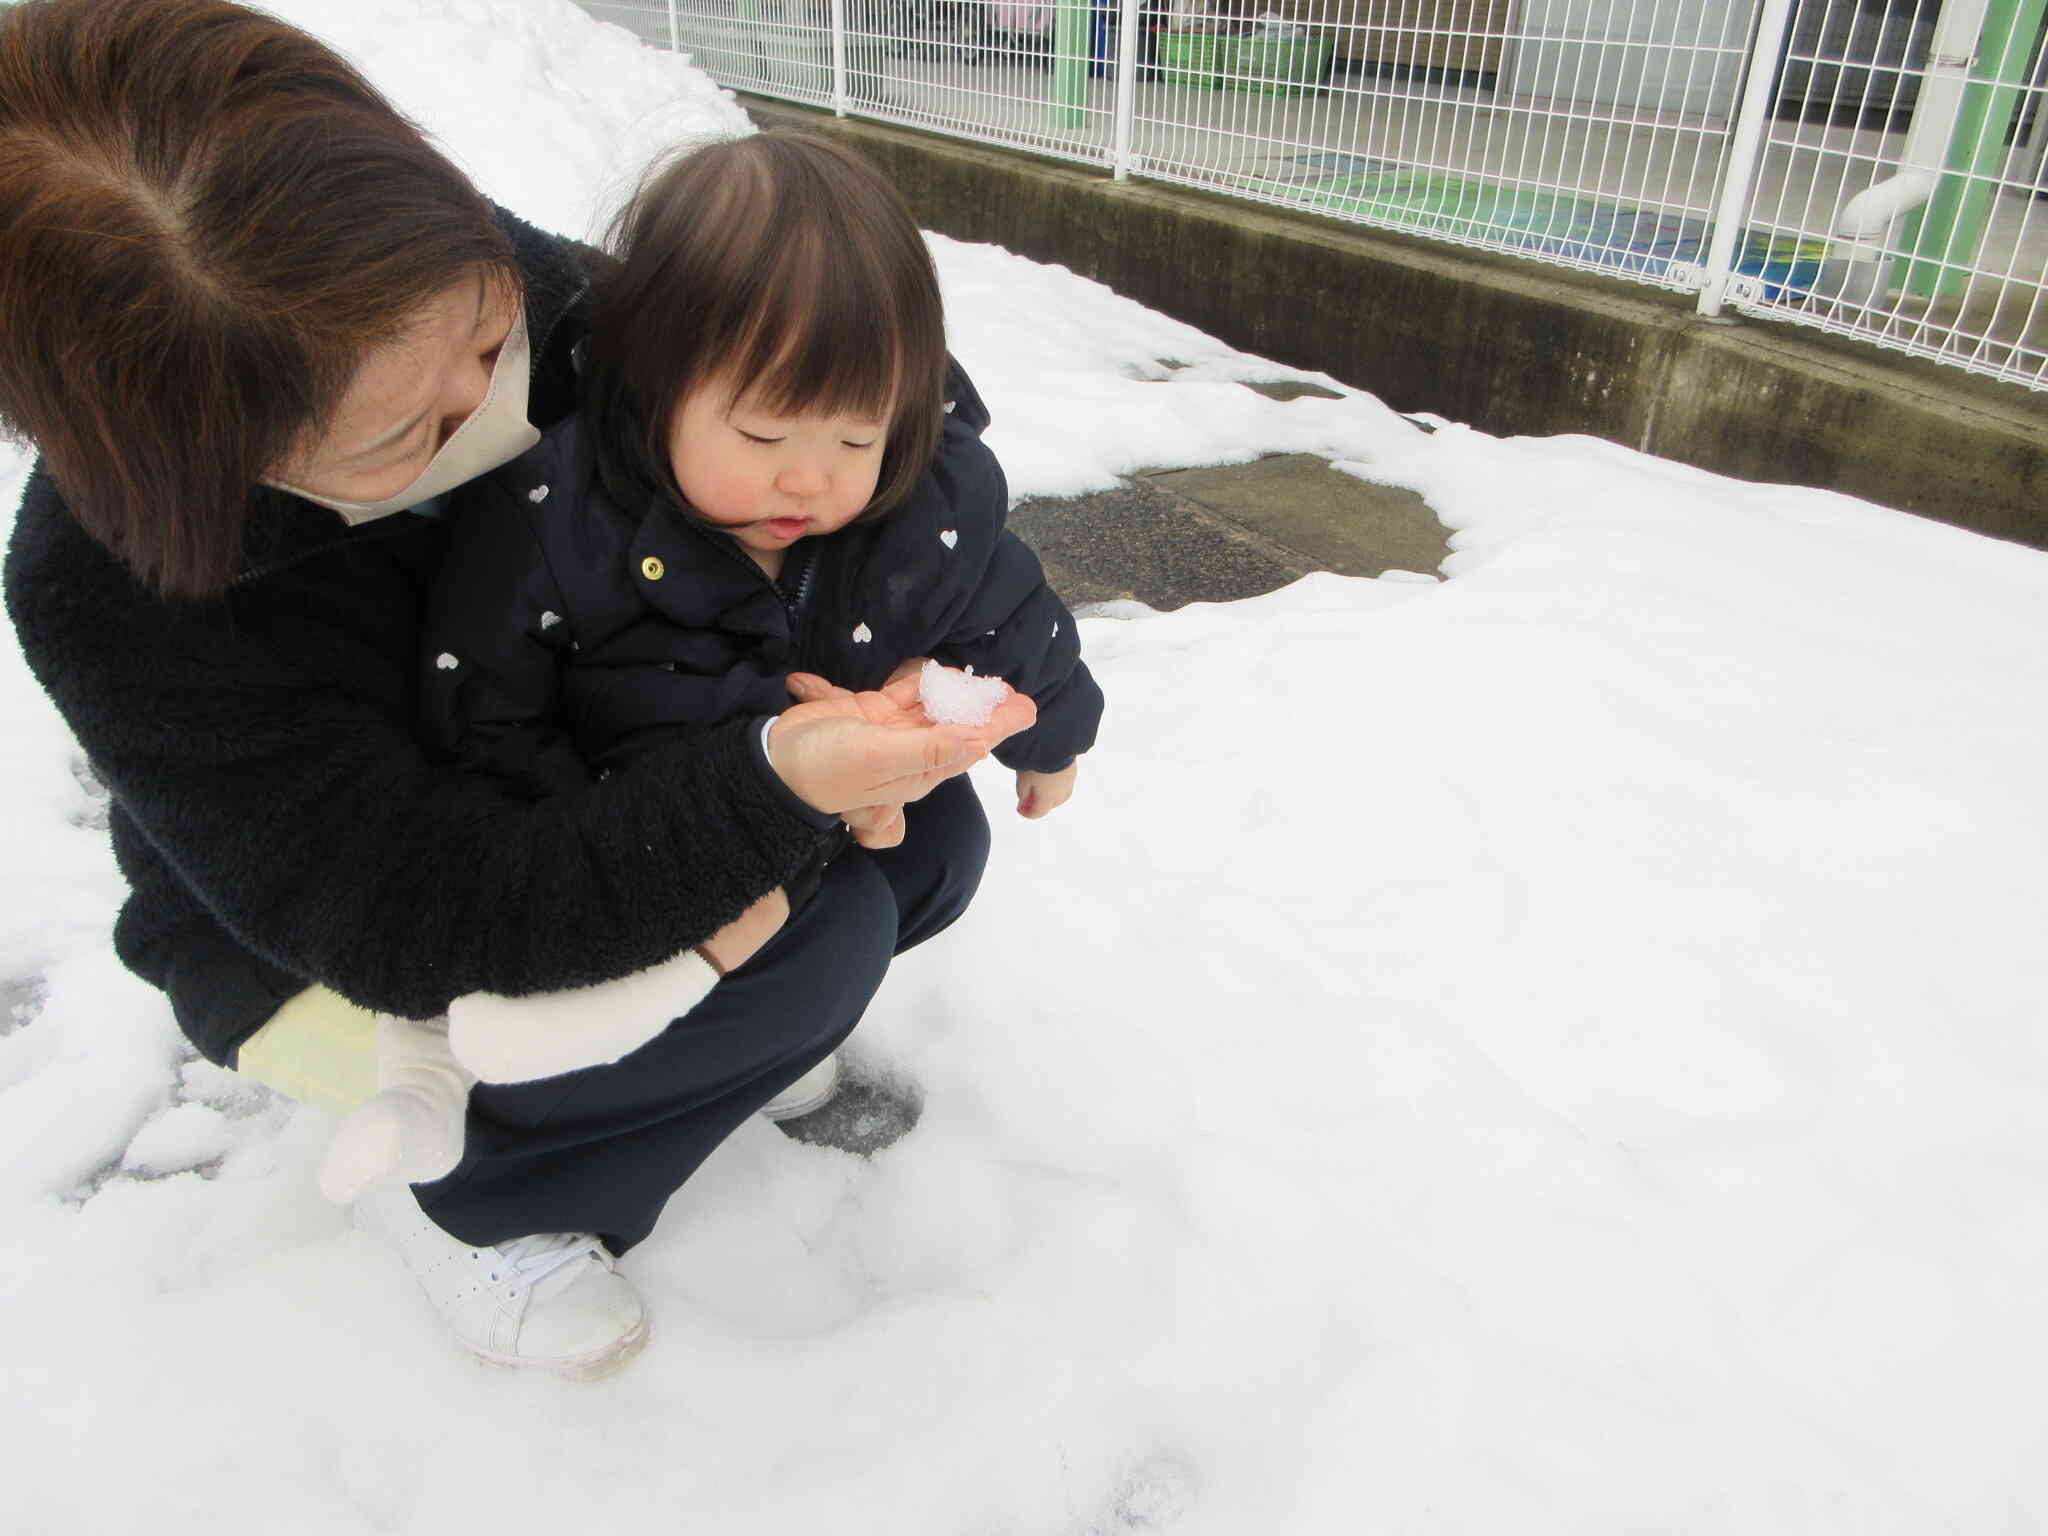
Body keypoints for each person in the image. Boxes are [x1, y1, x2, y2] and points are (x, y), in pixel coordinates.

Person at [0, 0, 1035, 1380]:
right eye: (402, 434)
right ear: (193, 464)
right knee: (815, 940)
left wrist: (902, 589)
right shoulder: (113, 588)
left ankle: (681, 1062)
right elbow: (419, 911)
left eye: (487, 337)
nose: (494, 397)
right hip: (353, 924)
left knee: (931, 851)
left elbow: (789, 381)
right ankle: (479, 1198)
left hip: (590, 739)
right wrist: (769, 788)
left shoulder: (419, 273)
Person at [317, 131, 1103, 1197]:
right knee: (828, 936)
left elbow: (1010, 613)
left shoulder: (920, 498)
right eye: (764, 435)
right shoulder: (562, 516)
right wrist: (584, 887)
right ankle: (503, 1202)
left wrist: (1052, 734)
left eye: (855, 438)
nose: (813, 480)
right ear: (658, 384)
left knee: (939, 850)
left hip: (805, 811)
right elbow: (485, 712)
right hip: (630, 841)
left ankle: (752, 1042)